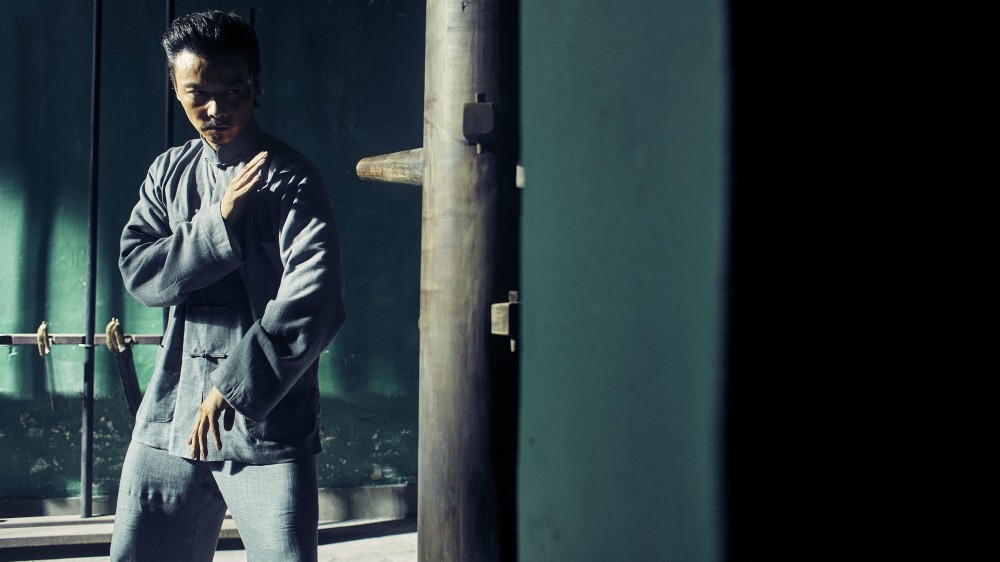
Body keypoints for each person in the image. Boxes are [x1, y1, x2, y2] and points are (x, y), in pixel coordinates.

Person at [110, 10, 344, 562]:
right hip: (172, 410)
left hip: (264, 415)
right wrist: (216, 223)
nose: (216, 110)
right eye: (198, 93)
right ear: (176, 88)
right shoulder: (167, 173)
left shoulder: (292, 177)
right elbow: (139, 270)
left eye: (232, 91)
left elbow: (315, 299)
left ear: (256, 86)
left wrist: (233, 386)